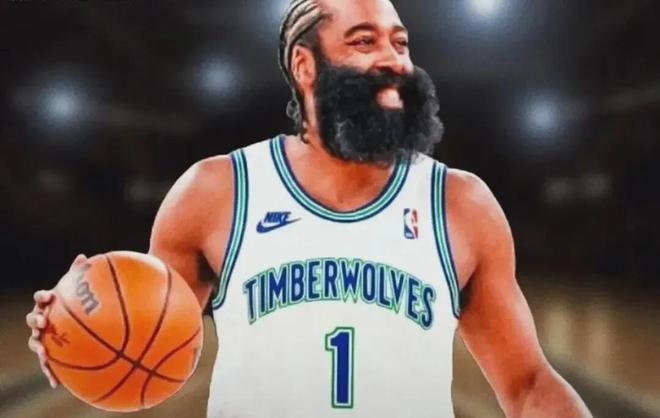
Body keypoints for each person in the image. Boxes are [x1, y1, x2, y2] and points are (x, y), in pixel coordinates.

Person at [26, 0, 592, 417]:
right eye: (364, 42)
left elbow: (527, 385)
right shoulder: (217, 192)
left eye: (400, 43)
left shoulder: (459, 204)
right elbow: (143, 342)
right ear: (305, 65)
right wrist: (72, 327)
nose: (394, 60)